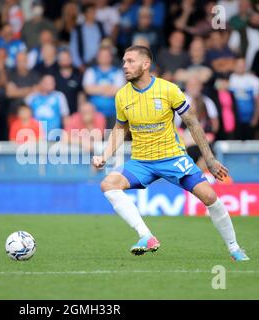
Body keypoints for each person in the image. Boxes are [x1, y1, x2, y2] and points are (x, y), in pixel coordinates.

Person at [91, 45, 249, 261]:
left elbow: (192, 122)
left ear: (146, 64)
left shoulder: (168, 90)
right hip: (142, 162)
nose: (125, 66)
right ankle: (145, 235)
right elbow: (120, 128)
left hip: (173, 158)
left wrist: (210, 159)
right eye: (124, 62)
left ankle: (234, 248)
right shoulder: (122, 96)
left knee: (210, 197)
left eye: (130, 61)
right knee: (108, 184)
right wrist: (104, 155)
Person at [25, 75, 69, 141]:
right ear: (41, 83)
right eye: (47, 83)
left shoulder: (59, 96)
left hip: (55, 136)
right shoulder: (31, 98)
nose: (51, 85)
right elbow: (25, 117)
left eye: (52, 82)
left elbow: (65, 117)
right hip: (36, 138)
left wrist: (67, 133)